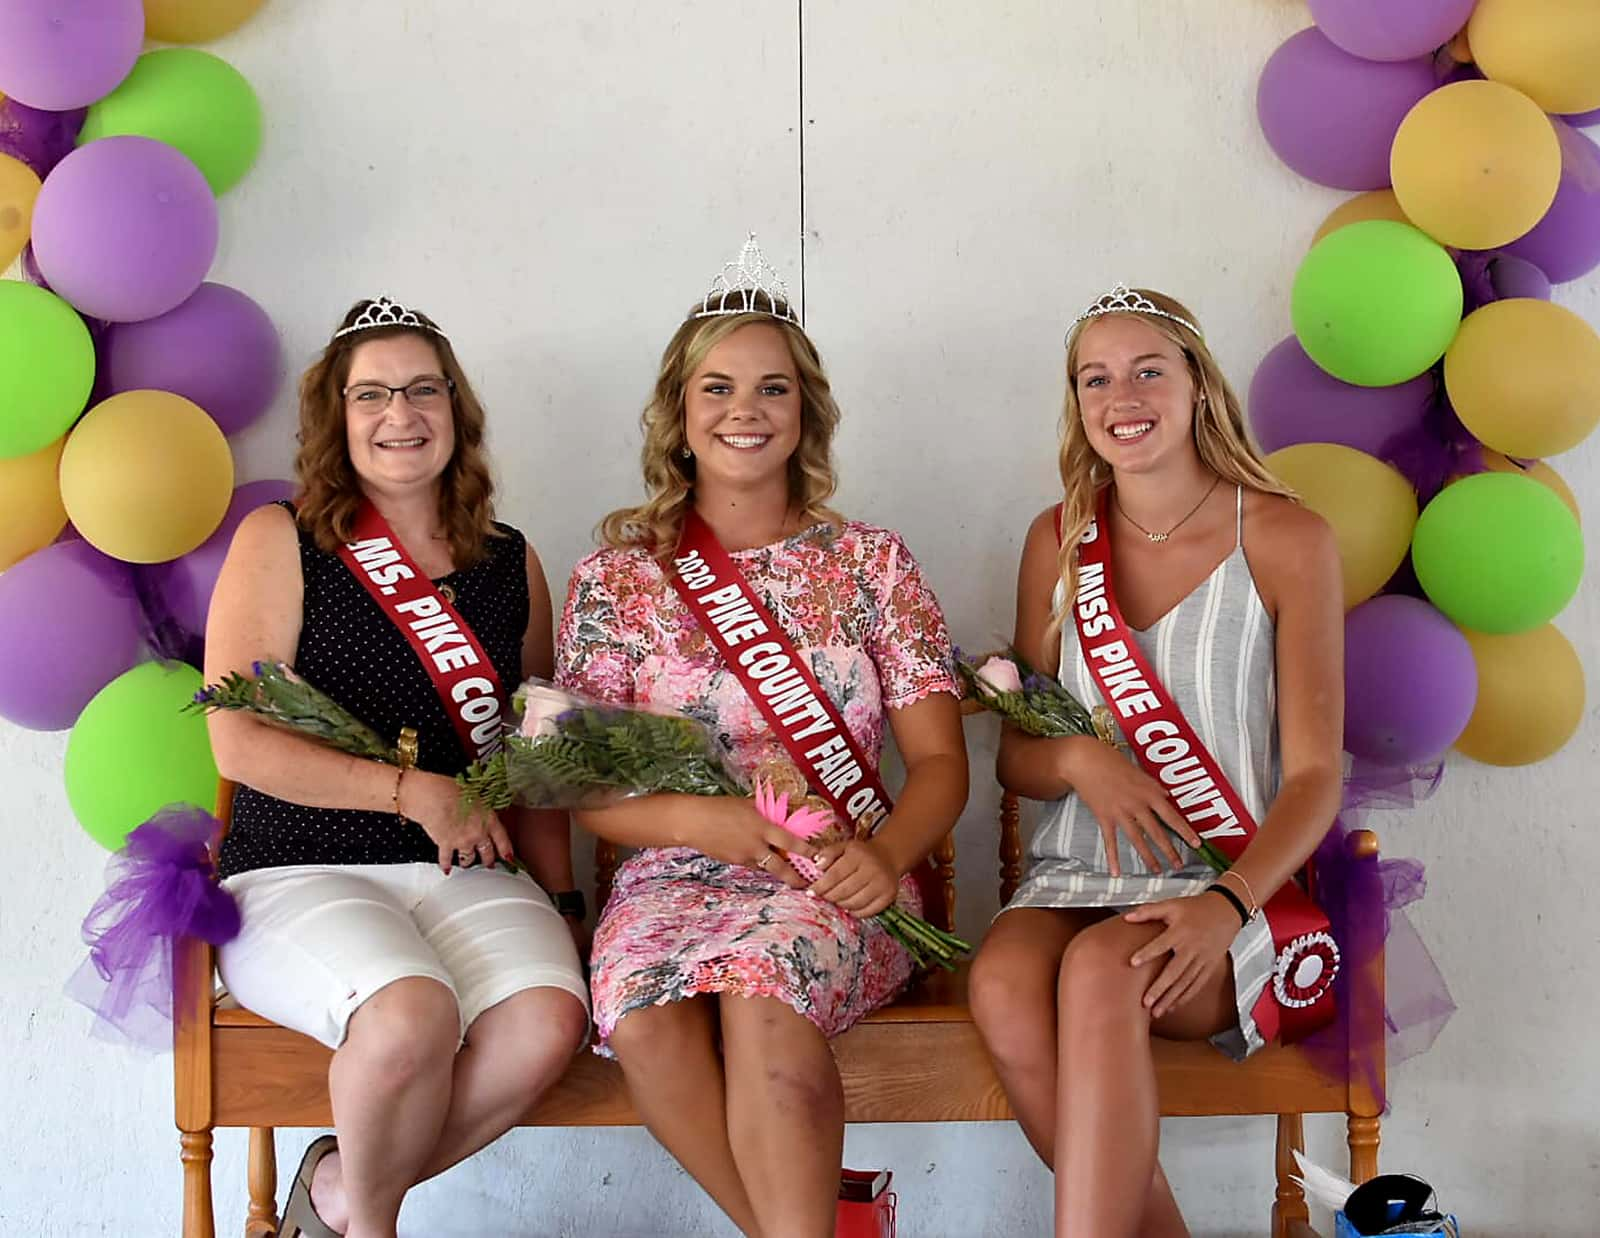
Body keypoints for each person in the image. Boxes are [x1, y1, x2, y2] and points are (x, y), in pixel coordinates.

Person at [555, 238, 969, 1238]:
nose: (745, 409)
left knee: (759, 996)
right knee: (643, 1020)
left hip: (839, 873)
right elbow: (581, 784)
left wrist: (886, 856)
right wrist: (707, 820)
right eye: (719, 387)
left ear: (805, 414)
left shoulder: (871, 562)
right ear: (680, 415)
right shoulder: (616, 578)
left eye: (772, 388)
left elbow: (944, 763)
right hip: (671, 877)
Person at [205, 297, 590, 1238]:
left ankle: (338, 1197)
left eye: (423, 389)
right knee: (408, 1016)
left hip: (465, 870)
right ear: (337, 419)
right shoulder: (283, 540)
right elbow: (239, 740)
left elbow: (529, 760)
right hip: (301, 864)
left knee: (549, 1019)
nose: (399, 413)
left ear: (456, 409)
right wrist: (409, 791)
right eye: (369, 394)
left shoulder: (513, 563)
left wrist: (565, 902)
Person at [967, 285, 1344, 1237]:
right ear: (1077, 404)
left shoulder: (1289, 537)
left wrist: (1225, 907)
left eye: (1147, 369)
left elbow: (1314, 779)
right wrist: (1081, 767)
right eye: (1096, 378)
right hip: (1074, 873)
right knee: (1002, 983)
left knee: (1102, 971)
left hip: (1235, 890)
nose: (1121, 396)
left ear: (1198, 387)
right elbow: (1018, 754)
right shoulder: (1057, 541)